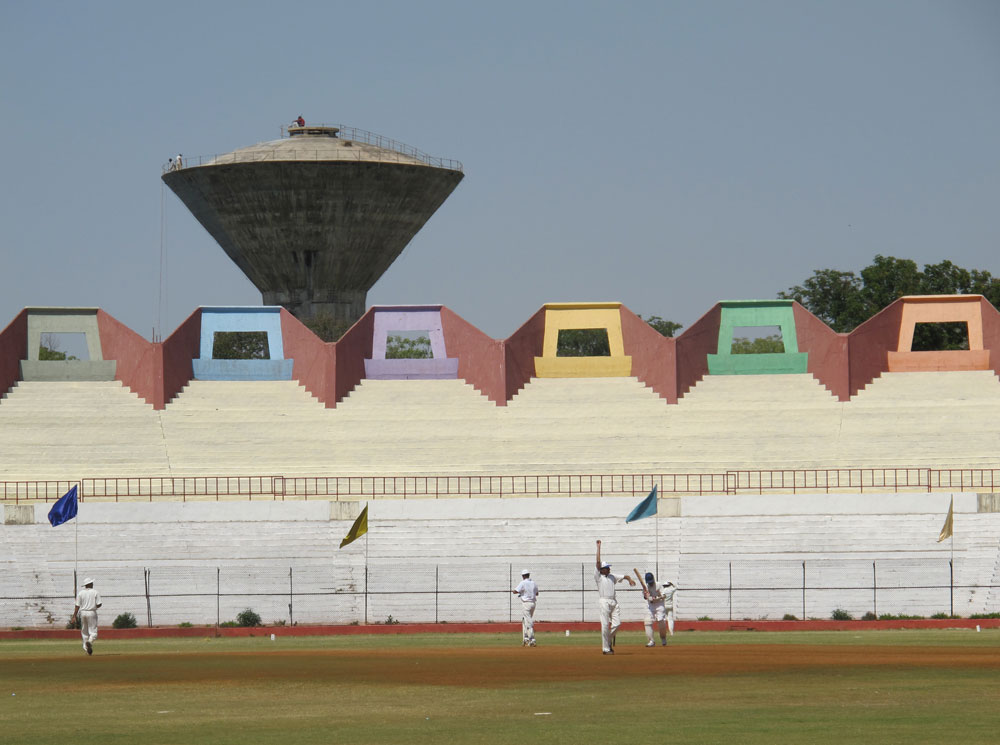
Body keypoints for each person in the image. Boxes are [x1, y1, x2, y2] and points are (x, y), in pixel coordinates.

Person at [595, 540, 634, 654]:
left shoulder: (612, 576)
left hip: (613, 601)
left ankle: (608, 641)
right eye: (607, 567)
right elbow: (597, 562)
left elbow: (625, 576)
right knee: (605, 625)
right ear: (602, 570)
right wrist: (598, 547)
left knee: (617, 624)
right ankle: (606, 648)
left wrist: (630, 579)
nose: (609, 569)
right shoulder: (598, 577)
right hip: (604, 601)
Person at [72, 577, 102, 655]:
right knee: (93, 631)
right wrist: (94, 606)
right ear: (90, 584)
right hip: (91, 612)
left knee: (84, 631)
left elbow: (77, 605)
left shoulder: (80, 593)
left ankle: (86, 649)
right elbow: (99, 604)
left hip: (83, 613)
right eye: (92, 582)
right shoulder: (95, 592)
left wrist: (74, 616)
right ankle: (90, 642)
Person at [642, 571, 671, 646]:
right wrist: (648, 597)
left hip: (659, 604)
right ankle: (651, 641)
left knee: (661, 621)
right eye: (649, 582)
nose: (651, 583)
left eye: (651, 582)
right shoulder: (646, 586)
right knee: (648, 621)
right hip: (650, 606)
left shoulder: (658, 585)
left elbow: (664, 596)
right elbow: (645, 597)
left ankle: (663, 638)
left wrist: (656, 598)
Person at [512, 569, 538, 647]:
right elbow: (537, 593)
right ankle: (526, 639)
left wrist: (517, 592)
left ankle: (532, 639)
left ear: (523, 576)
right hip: (533, 603)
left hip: (526, 604)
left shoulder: (523, 583)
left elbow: (515, 591)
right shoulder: (533, 583)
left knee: (528, 621)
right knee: (525, 621)